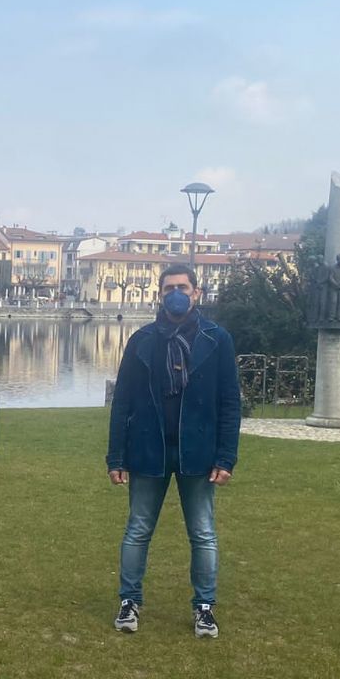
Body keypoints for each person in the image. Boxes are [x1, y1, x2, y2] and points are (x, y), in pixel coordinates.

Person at [106, 263, 240, 638]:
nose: (175, 294)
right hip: (148, 449)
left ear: (196, 293)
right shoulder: (142, 340)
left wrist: (226, 457)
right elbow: (122, 402)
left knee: (203, 532)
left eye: (182, 287)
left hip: (199, 451)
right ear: (160, 294)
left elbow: (230, 402)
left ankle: (204, 608)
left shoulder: (217, 339)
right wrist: (116, 456)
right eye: (169, 288)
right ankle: (129, 601)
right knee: (138, 529)